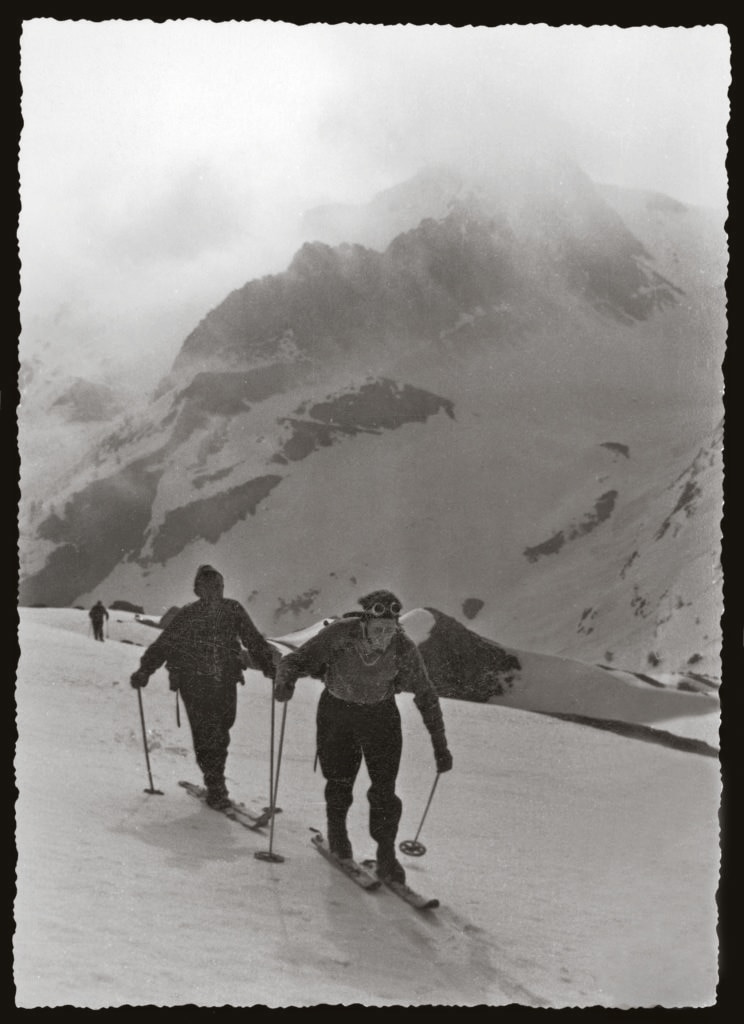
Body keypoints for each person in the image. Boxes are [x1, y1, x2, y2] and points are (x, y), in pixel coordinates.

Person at [273, 589, 453, 884]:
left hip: (380, 717)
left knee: (385, 790)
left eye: (390, 629)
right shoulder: (340, 634)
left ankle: (385, 855)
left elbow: (426, 694)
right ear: (365, 623)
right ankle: (338, 835)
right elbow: (297, 660)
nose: (384, 635)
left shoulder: (403, 647)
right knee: (340, 781)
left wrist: (440, 745)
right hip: (337, 713)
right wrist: (285, 680)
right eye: (379, 628)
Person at [130, 565, 276, 809]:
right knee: (208, 733)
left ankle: (215, 780)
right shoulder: (202, 613)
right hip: (195, 683)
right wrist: (145, 669)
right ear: (198, 590)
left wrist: (268, 665)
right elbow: (164, 645)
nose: (215, 591)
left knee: (221, 731)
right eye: (209, 586)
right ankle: (216, 786)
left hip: (223, 681)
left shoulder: (225, 610)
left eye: (217, 586)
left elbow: (253, 640)